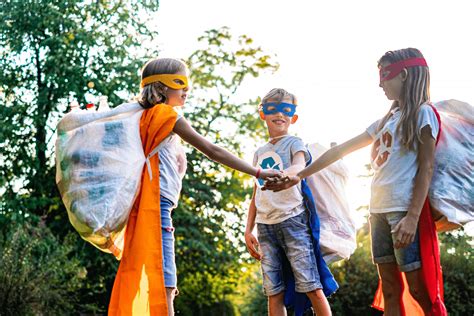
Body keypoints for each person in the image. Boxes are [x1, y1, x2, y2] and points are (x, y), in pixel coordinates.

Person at [264, 48, 447, 315]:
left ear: (405, 75)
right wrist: (297, 176)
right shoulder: (385, 121)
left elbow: (426, 168)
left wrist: (412, 217)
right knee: (390, 289)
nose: (380, 83)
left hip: (403, 212)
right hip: (378, 212)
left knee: (419, 291)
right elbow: (339, 151)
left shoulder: (423, 114)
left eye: (385, 75)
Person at [109, 57, 281, 316]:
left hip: (141, 205)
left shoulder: (141, 116)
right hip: (156, 206)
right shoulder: (167, 116)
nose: (187, 89)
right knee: (165, 277)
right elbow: (212, 150)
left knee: (146, 272)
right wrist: (257, 171)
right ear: (162, 87)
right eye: (180, 82)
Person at [245, 88, 336, 316]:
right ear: (262, 114)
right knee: (273, 290)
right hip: (266, 227)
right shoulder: (259, 153)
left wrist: (290, 174)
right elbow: (256, 194)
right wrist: (249, 229)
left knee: (311, 285)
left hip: (293, 222)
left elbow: (299, 165)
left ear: (293, 117)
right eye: (272, 108)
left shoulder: (295, 143)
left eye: (286, 110)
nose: (280, 114)